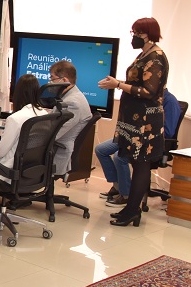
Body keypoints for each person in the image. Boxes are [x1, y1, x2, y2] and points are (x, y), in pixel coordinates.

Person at [99, 17, 169, 227]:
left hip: (146, 123)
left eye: (136, 33)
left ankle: (132, 210)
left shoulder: (156, 57)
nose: (133, 37)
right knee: (135, 163)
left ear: (146, 34)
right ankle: (131, 209)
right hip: (134, 120)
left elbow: (148, 91)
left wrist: (118, 84)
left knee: (141, 165)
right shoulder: (144, 54)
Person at [97, 87, 181, 208]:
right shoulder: (147, 99)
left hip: (149, 142)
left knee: (119, 156)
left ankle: (126, 195)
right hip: (131, 136)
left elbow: (167, 132)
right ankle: (117, 186)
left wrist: (141, 132)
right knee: (101, 150)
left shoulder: (170, 102)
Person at [0, 74, 49, 182]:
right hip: (33, 171)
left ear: (18, 93)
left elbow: (1, 151)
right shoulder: (45, 114)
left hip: (9, 172)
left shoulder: (15, 118)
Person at [49, 60, 92, 176]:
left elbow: (54, 133)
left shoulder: (73, 103)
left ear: (64, 80)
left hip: (56, 151)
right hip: (53, 147)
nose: (50, 82)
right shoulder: (70, 96)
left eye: (52, 78)